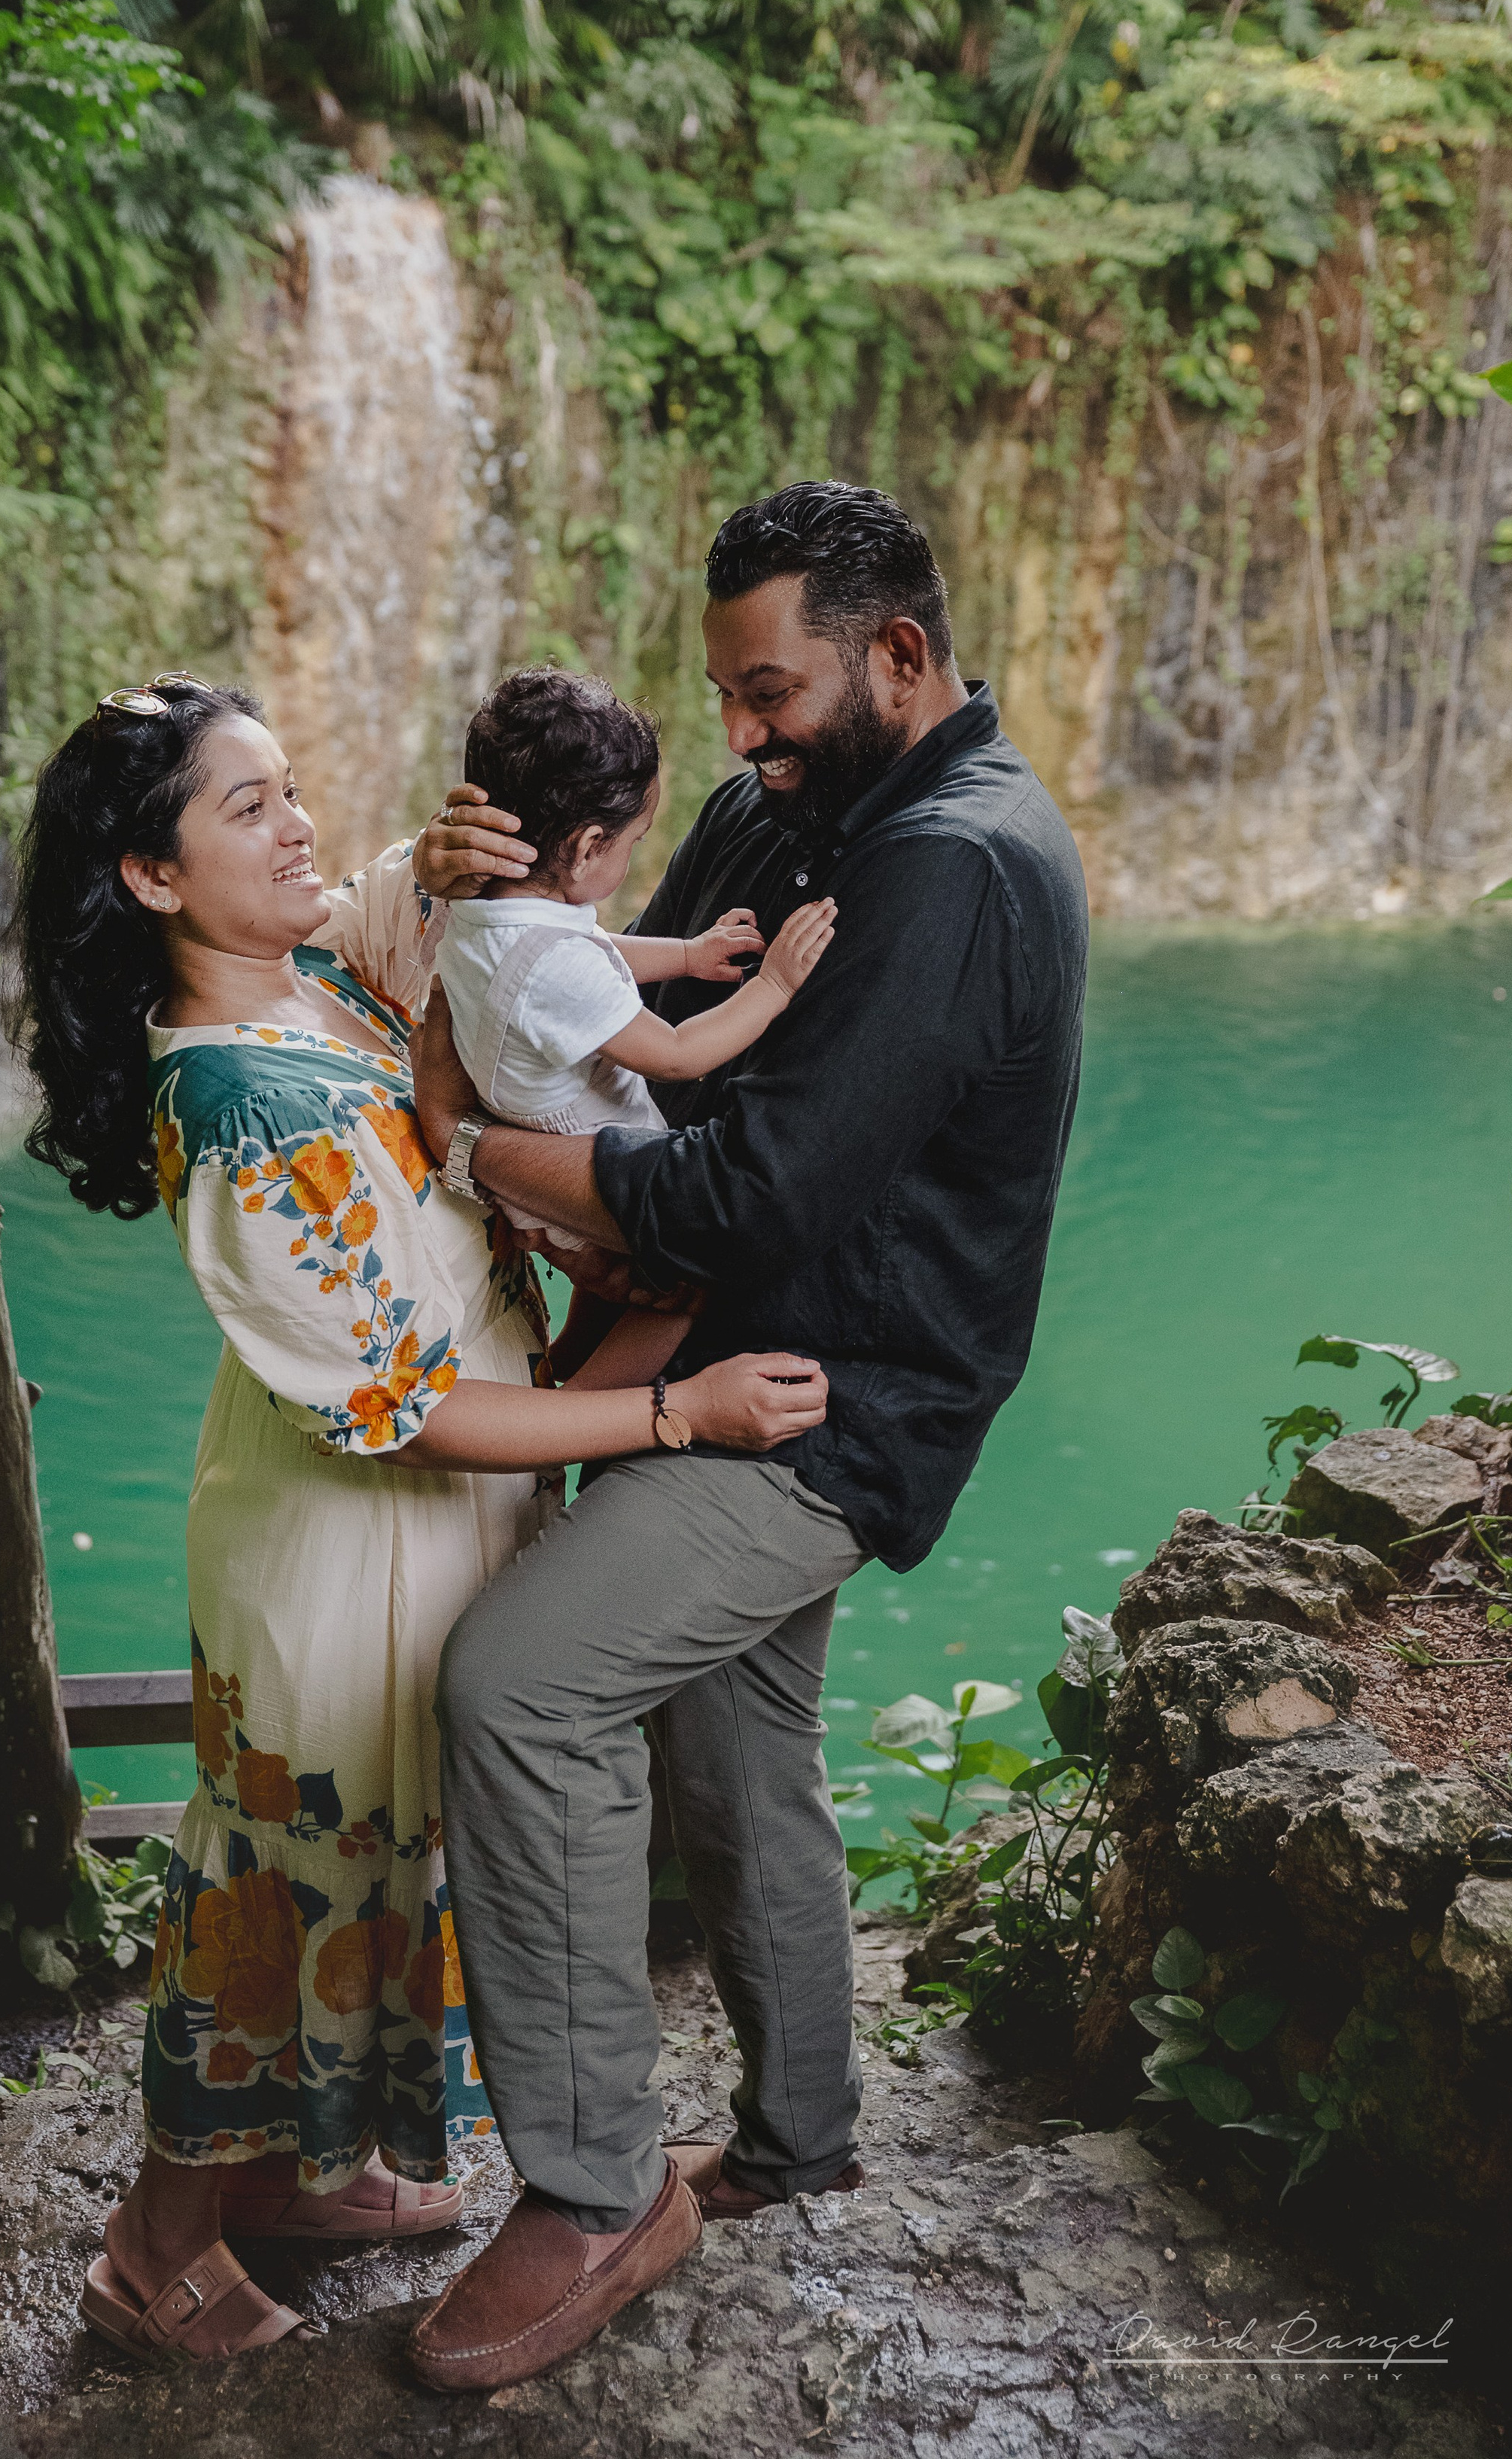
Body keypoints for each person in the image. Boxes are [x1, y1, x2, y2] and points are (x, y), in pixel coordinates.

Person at [9, 674, 827, 2363]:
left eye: (291, 789)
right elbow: (401, 1407)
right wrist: (674, 1411)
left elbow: (438, 920)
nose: (296, 826)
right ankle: (152, 2249)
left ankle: (284, 2173)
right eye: (247, 809)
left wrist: (447, 854)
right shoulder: (239, 1103)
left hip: (428, 1519)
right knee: (289, 1878)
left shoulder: (310, 980)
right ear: (152, 878)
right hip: (343, 1540)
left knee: (388, 1864)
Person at [403, 482, 1090, 2397]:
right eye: (721, 693)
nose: (738, 730)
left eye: (768, 689)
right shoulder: (797, 804)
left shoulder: (956, 864)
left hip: (821, 1400)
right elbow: (584, 981)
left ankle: (594, 2191)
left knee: (521, 1689)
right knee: (729, 1735)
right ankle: (795, 2137)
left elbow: (742, 1197)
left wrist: (469, 1146)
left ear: (897, 653)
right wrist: (465, 877)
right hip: (719, 1348)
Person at [437, 663, 834, 1336]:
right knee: (679, 1298)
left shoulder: (487, 912)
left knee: (608, 1305)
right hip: (580, 1172)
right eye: (634, 841)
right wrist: (774, 986)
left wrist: (689, 954)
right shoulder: (553, 966)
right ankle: (590, 1391)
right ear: (589, 847)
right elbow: (676, 1055)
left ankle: (567, 1358)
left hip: (534, 1150)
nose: (634, 852)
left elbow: (594, 952)